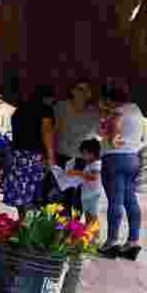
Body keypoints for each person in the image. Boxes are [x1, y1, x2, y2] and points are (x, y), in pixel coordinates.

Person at [99, 83, 144, 259]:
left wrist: (112, 137)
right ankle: (133, 242)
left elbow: (111, 133)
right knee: (130, 199)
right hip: (133, 158)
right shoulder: (136, 111)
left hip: (115, 159)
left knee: (115, 201)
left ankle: (112, 242)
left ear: (111, 99)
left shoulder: (118, 112)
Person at [4, 84, 56, 219]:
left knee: (20, 193)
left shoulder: (20, 110)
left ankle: (23, 222)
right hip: (33, 157)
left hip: (16, 155)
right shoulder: (45, 110)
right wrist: (51, 156)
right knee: (33, 194)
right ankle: (29, 227)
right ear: (48, 98)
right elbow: (47, 133)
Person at [54, 80, 100, 211]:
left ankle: (74, 229)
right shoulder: (61, 106)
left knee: (78, 198)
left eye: (87, 90)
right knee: (59, 197)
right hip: (62, 155)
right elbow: (54, 130)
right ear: (72, 91)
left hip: (83, 160)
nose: (83, 93)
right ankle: (58, 227)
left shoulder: (95, 111)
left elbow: (100, 132)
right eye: (80, 89)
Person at [67, 138, 104, 225]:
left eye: (84, 153)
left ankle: (94, 235)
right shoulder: (89, 164)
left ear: (93, 153)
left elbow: (94, 177)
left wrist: (77, 173)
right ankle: (89, 234)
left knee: (93, 217)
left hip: (93, 196)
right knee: (88, 216)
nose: (83, 156)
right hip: (86, 195)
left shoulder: (97, 164)